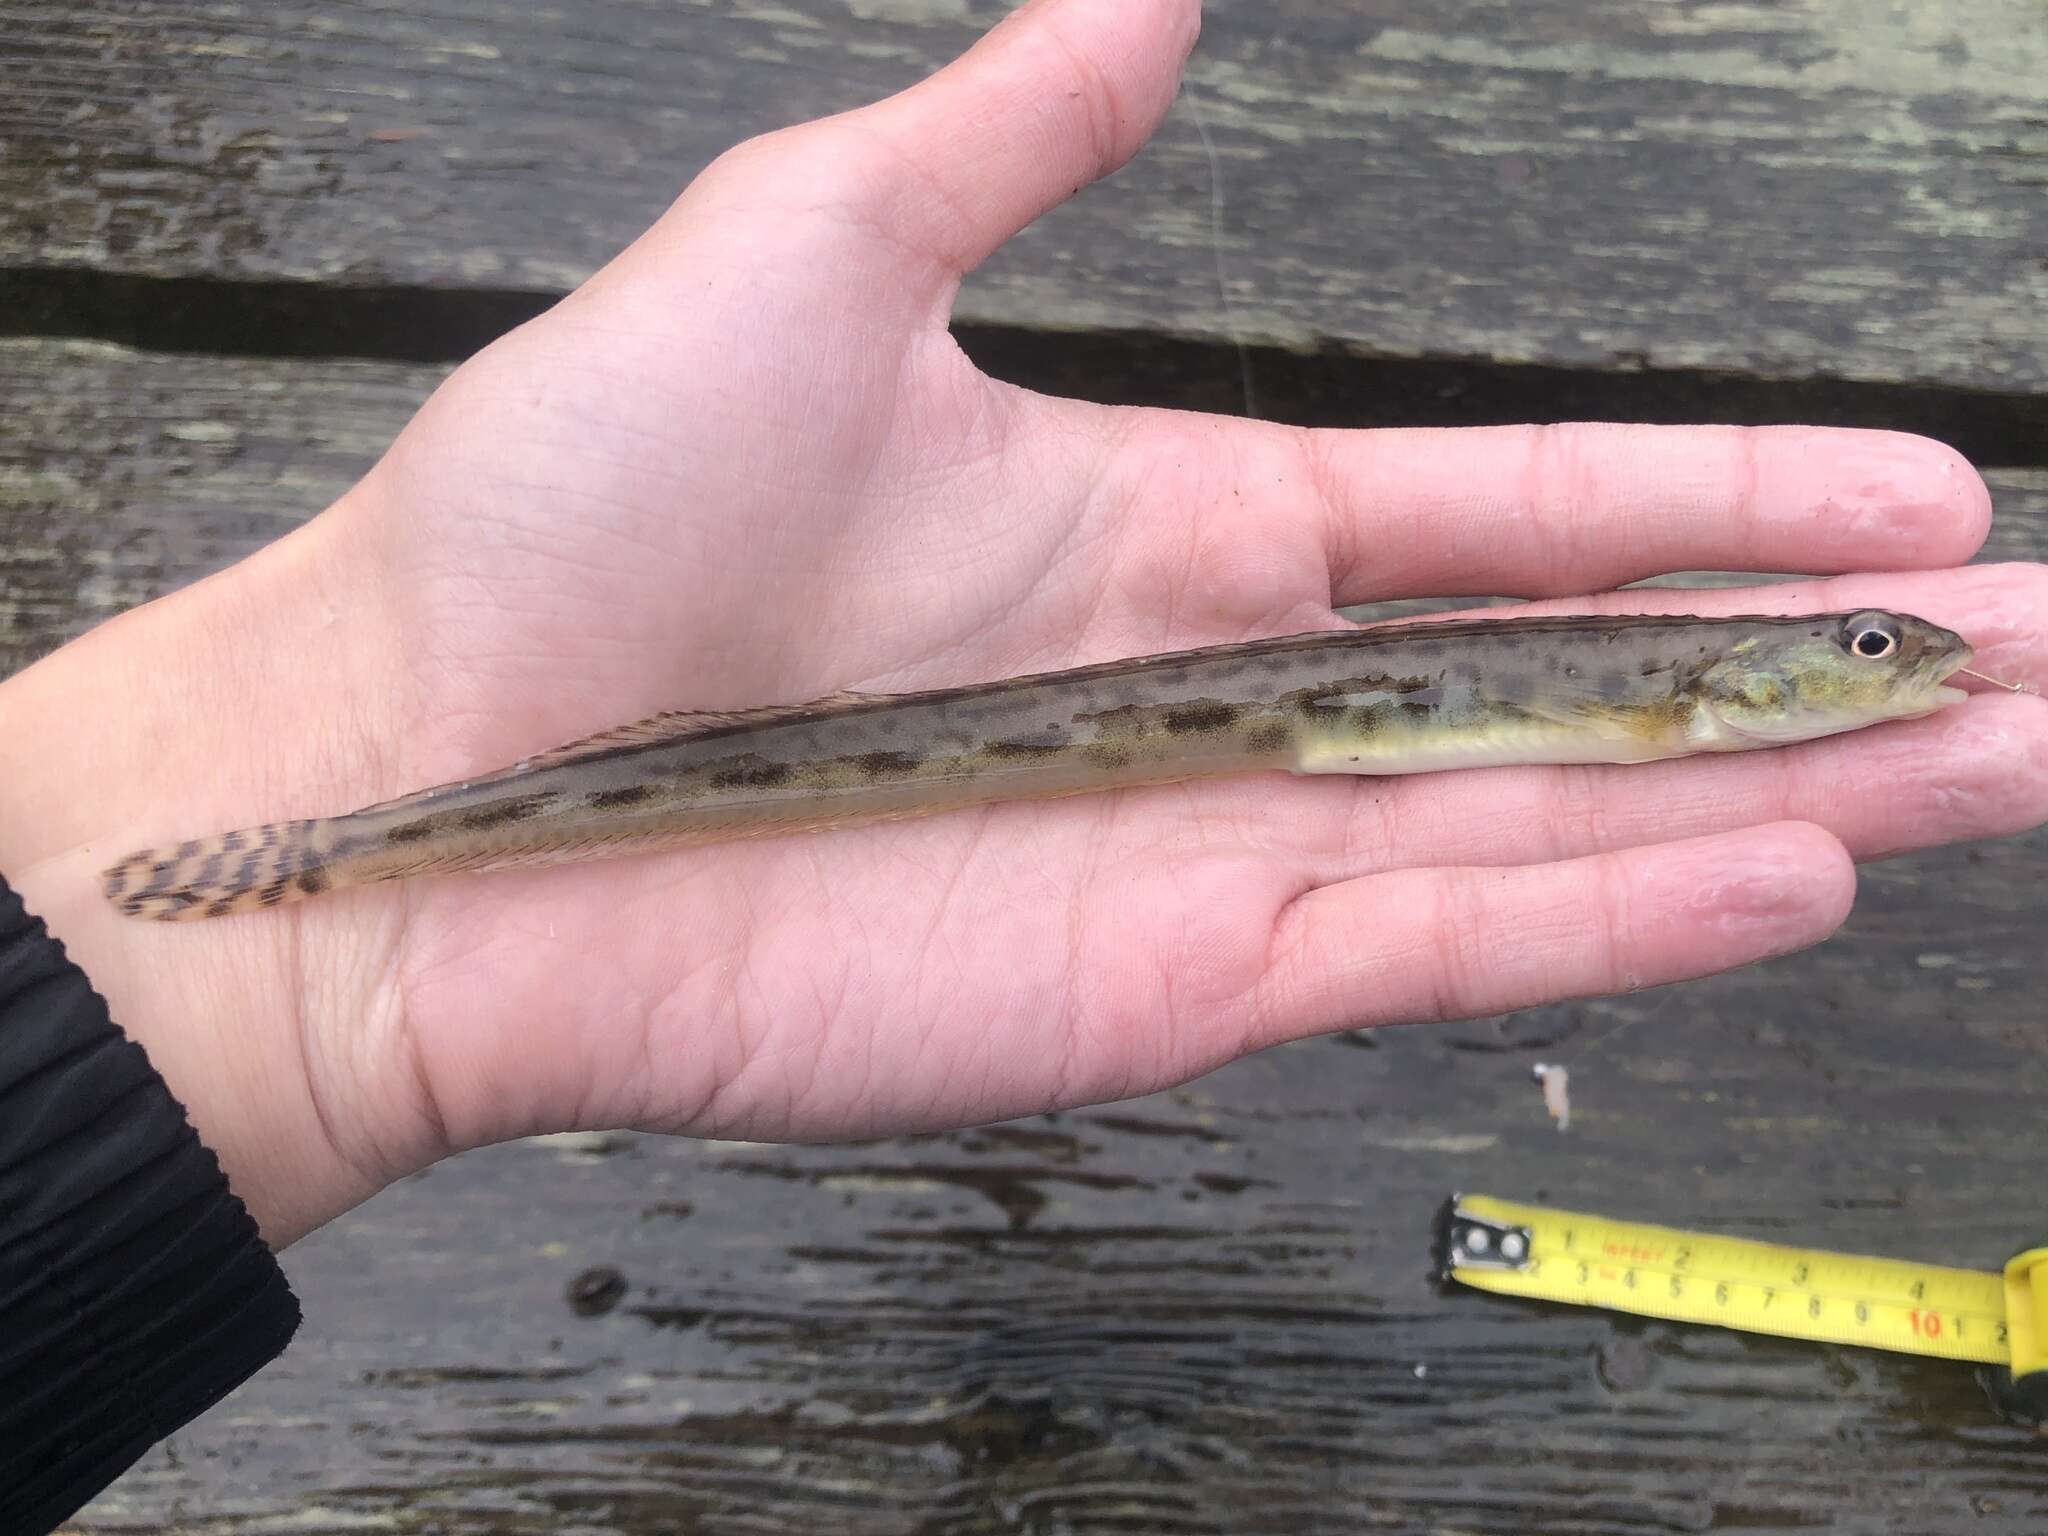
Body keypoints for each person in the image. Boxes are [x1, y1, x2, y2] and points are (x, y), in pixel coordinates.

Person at [3, 0, 2043, 1526]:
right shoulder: (1685, 685)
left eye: (1876, 649)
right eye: (1862, 645)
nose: (1888, 662)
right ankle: (312, 863)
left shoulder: (1693, 687)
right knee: (742, 776)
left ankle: (286, 876)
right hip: (1028, 731)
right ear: (1769, 666)